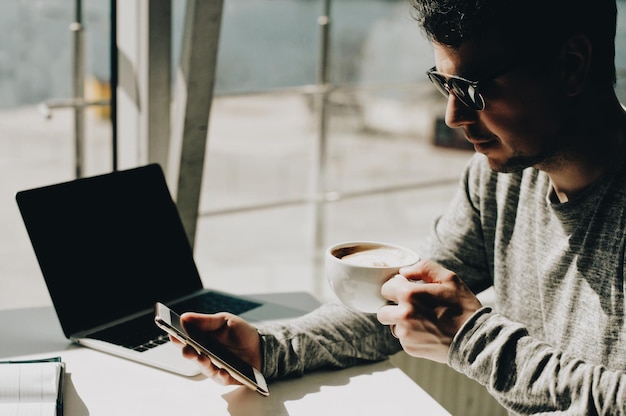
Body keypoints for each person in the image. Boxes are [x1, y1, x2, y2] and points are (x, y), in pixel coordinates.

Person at [175, 0, 626, 413]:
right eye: (444, 84)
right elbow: (396, 302)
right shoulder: (497, 178)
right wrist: (270, 349)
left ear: (571, 66)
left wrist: (471, 340)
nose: (454, 117)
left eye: (471, 89)